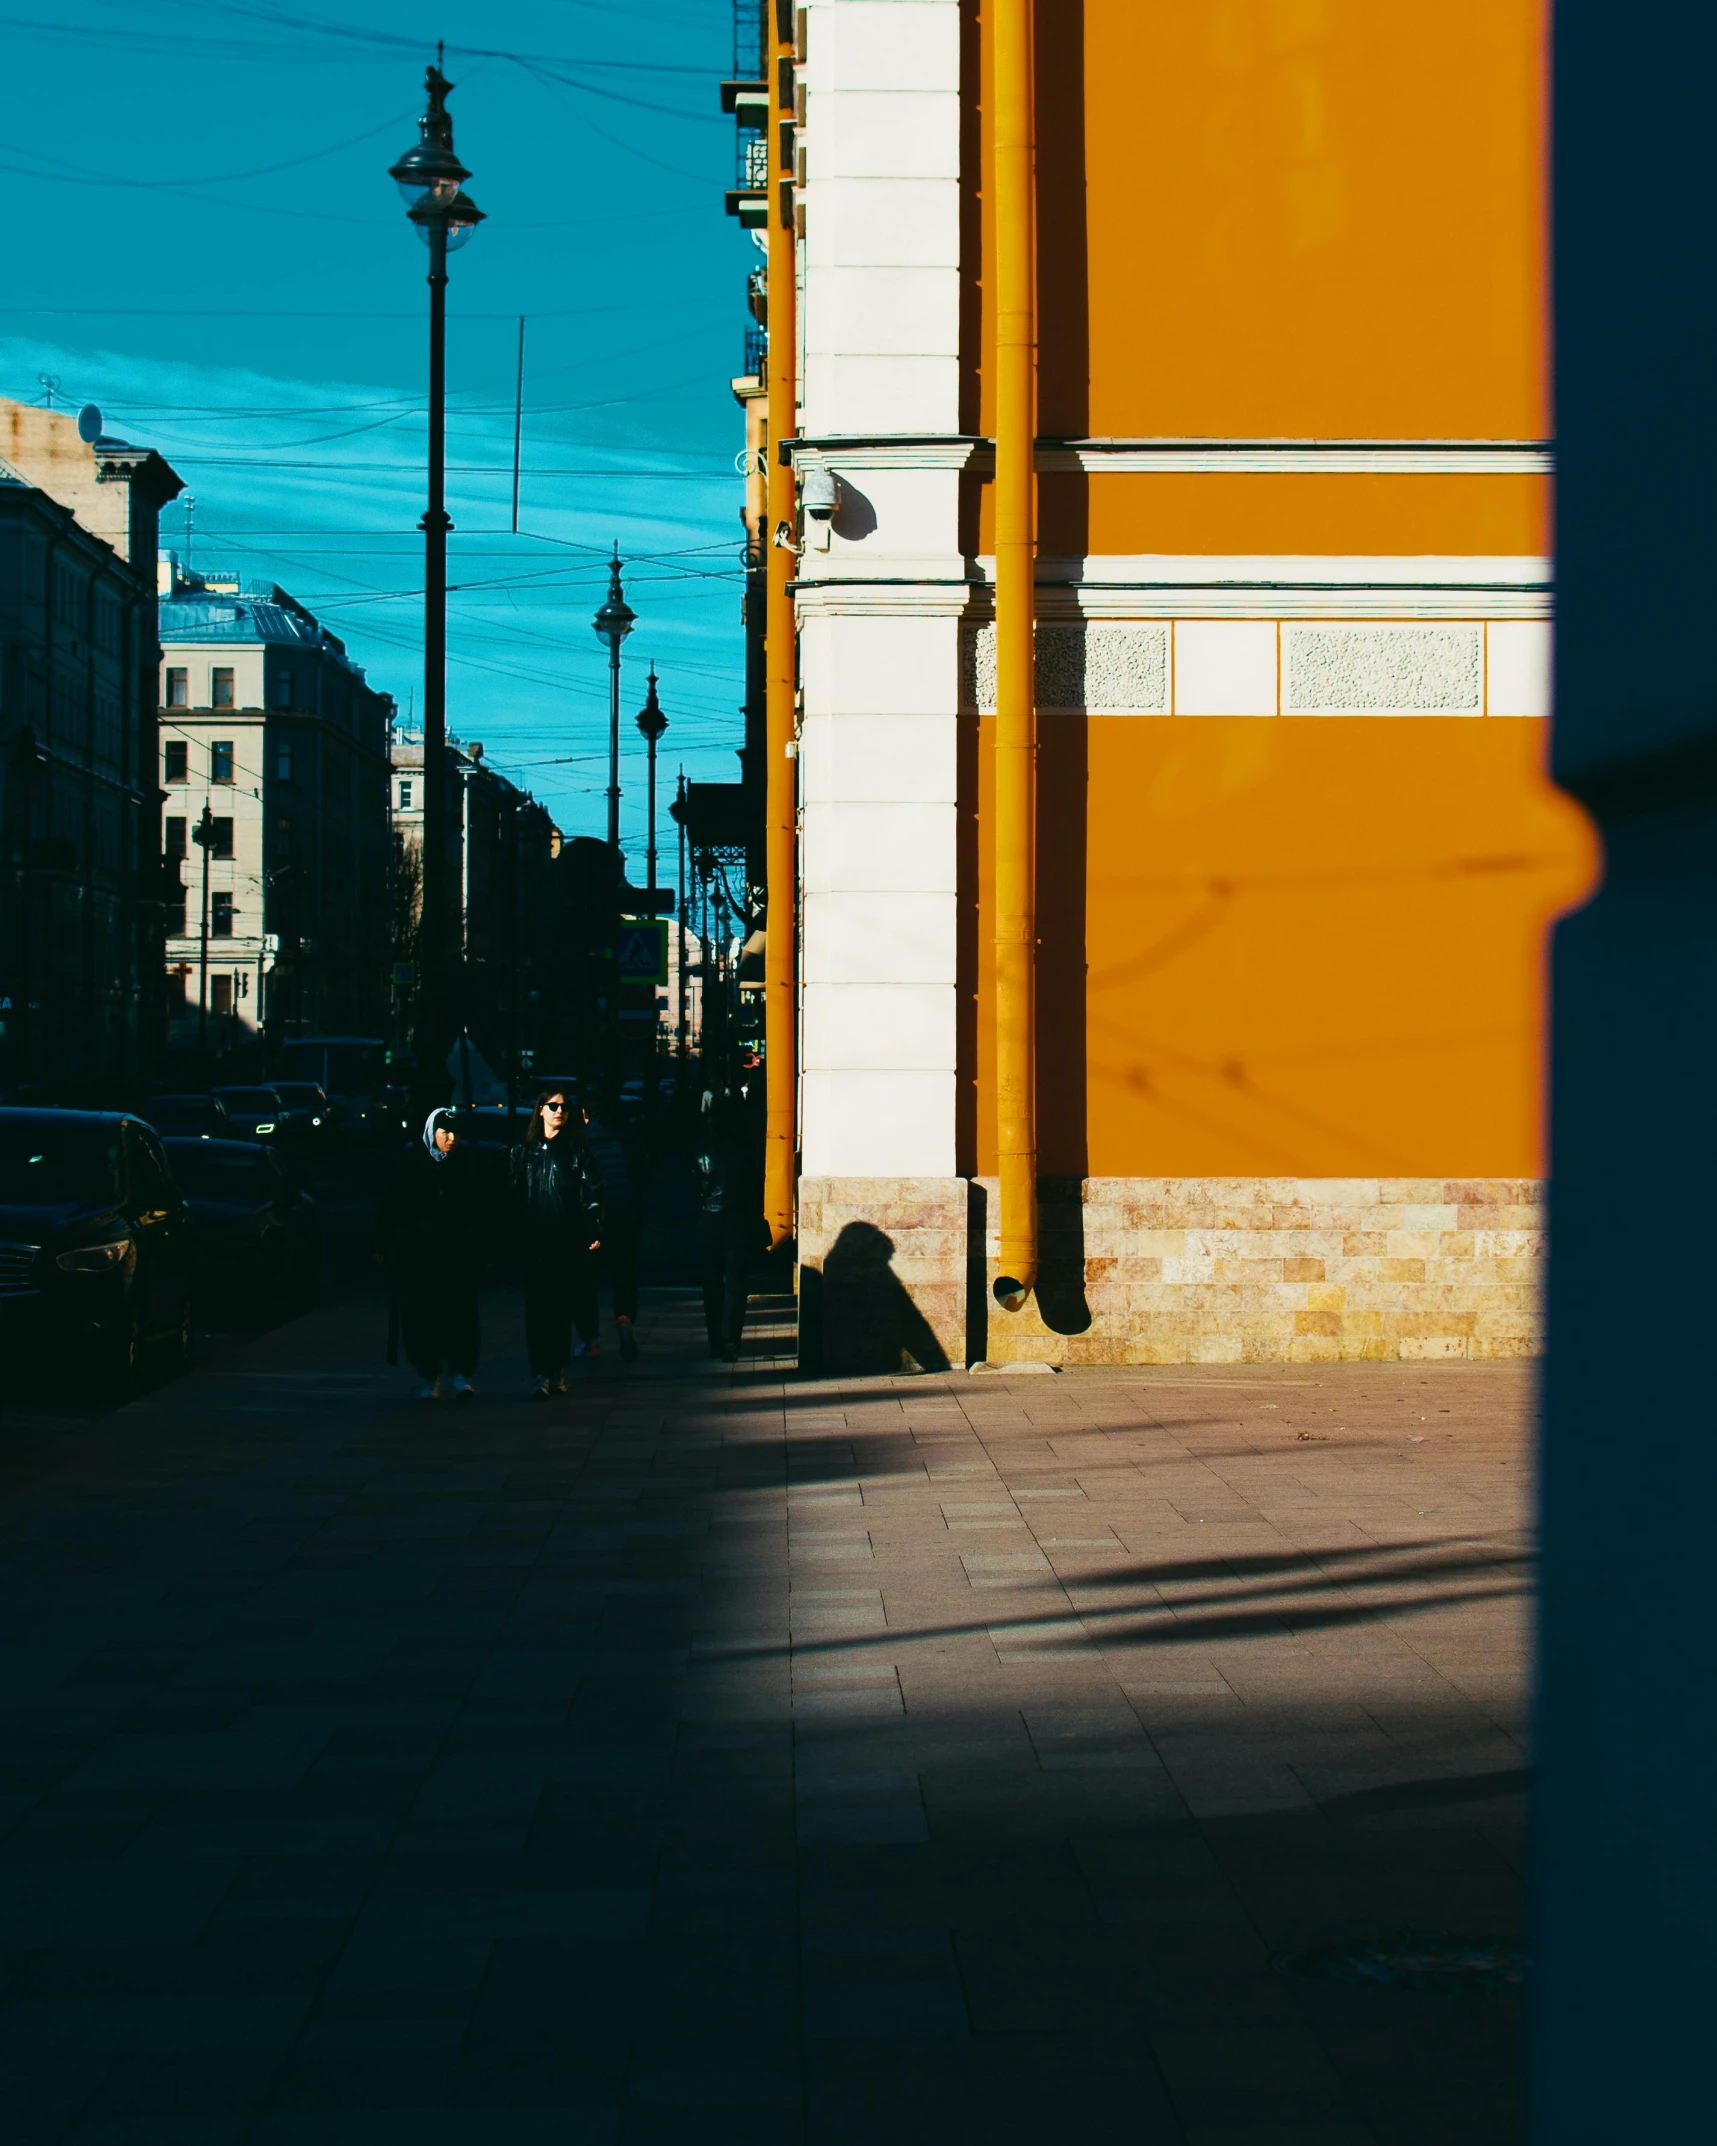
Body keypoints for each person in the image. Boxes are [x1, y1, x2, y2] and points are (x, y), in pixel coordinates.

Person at [375, 1106, 490, 1401]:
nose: (451, 1138)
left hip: (458, 1257)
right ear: (432, 1133)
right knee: (421, 1318)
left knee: (462, 1316)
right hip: (419, 1258)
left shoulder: (465, 1163)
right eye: (445, 1133)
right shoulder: (411, 1162)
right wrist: (383, 1246)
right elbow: (391, 1207)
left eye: (455, 1133)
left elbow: (481, 1210)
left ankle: (462, 1374)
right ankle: (430, 1375)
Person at [510, 1087, 604, 1397]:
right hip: (533, 1243)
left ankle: (556, 1369)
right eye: (552, 1106)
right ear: (540, 1110)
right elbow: (513, 1197)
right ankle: (541, 1371)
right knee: (537, 1310)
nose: (558, 1111)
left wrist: (591, 1230)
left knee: (560, 1309)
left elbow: (590, 1194)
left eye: (563, 1106)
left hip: (566, 1241)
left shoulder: (577, 1150)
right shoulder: (523, 1152)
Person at [696, 1085, 759, 1362]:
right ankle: (731, 1338)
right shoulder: (747, 1151)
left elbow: (694, 1188)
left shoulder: (702, 1152)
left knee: (711, 1284)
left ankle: (714, 1341)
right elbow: (754, 1189)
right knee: (736, 1283)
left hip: (709, 1218)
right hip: (738, 1220)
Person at [580, 1085, 643, 1361]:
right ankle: (625, 1318)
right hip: (624, 1215)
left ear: (584, 1114)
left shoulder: (581, 1142)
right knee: (624, 1273)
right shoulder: (624, 1139)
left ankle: (591, 1339)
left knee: (586, 1281)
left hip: (594, 1221)